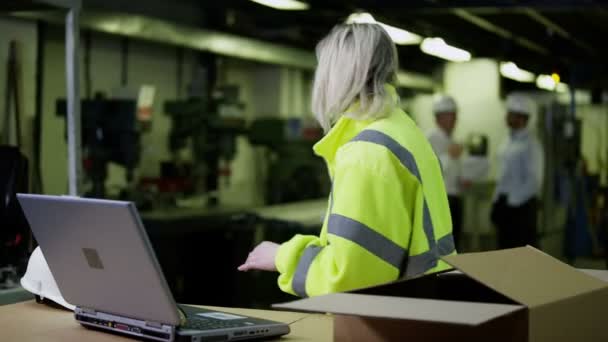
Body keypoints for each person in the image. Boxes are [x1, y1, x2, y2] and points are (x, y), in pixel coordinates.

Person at [238, 23, 455, 297]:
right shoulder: (406, 132)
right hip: (431, 306)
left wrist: (281, 255)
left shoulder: (367, 152)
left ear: (336, 75)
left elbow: (350, 279)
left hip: (395, 321)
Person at [491, 94, 544, 249]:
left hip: (521, 209)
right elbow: (503, 175)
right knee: (504, 252)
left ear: (521, 118)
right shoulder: (507, 141)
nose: (506, 117)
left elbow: (534, 180)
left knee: (522, 255)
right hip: (506, 205)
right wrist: (497, 201)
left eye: (510, 114)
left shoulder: (531, 144)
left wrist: (512, 203)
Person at [426, 95, 466, 250]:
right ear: (439, 117)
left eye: (455, 115)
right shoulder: (430, 138)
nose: (455, 119)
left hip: (455, 197)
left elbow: (453, 171)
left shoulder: (452, 139)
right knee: (443, 245)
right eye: (451, 115)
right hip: (440, 200)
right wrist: (449, 156)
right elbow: (430, 169)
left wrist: (462, 181)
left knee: (455, 243)